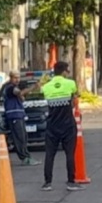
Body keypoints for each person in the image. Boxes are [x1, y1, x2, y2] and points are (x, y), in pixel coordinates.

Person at [41, 61, 83, 192]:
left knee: (49, 154)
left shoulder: (46, 87)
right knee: (69, 154)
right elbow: (75, 98)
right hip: (67, 124)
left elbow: (44, 95)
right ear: (64, 71)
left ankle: (47, 183)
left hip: (52, 125)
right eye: (67, 71)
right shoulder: (70, 84)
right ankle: (71, 181)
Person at [0, 71, 39, 166]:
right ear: (10, 78)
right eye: (15, 78)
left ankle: (27, 156)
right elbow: (19, 93)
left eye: (18, 78)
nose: (17, 80)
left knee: (24, 137)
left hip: (19, 115)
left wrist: (21, 96)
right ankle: (24, 158)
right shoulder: (9, 88)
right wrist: (33, 87)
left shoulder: (14, 88)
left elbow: (21, 97)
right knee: (19, 138)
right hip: (14, 116)